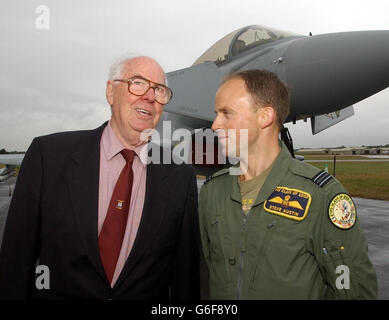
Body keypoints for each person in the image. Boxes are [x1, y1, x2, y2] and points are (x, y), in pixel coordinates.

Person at [0, 55, 200, 300]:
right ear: (110, 92)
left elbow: (185, 278)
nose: (149, 96)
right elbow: (15, 261)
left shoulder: (181, 176)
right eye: (137, 83)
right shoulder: (48, 156)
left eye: (159, 90)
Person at [199, 69, 377, 299]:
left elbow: (353, 288)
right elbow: (204, 275)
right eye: (216, 114)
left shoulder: (320, 194)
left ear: (265, 116)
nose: (214, 125)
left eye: (226, 113)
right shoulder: (212, 191)